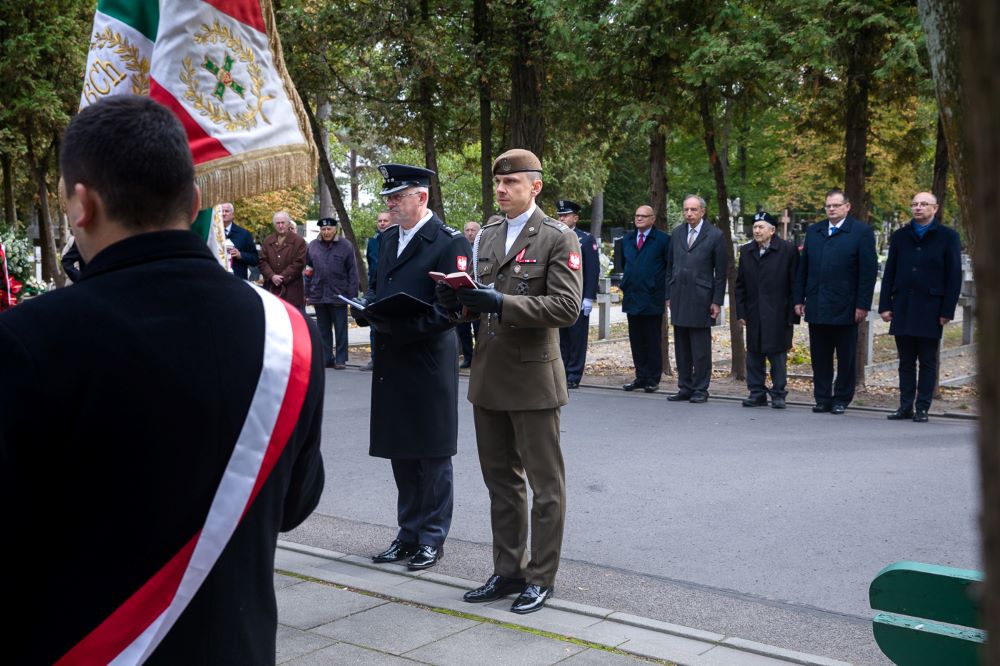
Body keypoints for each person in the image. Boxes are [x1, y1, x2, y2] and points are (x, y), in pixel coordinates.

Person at [0, 96, 324, 664]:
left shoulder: (27, 339)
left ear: (81, 204)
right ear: (196, 200)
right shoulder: (289, 333)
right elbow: (295, 501)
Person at [438, 148, 581, 614]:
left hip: (534, 377)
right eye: (498, 184)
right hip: (490, 376)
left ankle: (541, 577)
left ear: (534, 186)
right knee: (500, 482)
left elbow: (564, 308)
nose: (501, 190)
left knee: (546, 485)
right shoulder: (490, 232)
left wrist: (498, 303)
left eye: (511, 183)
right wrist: (457, 300)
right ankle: (507, 571)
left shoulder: (558, 238)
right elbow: (480, 298)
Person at [363, 163, 471, 572]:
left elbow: (455, 308)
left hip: (426, 357)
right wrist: (369, 310)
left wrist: (405, 328)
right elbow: (378, 286)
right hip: (393, 356)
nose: (390, 205)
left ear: (421, 198)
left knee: (432, 452)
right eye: (388, 198)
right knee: (401, 450)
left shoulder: (448, 241)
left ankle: (431, 538)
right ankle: (407, 533)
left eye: (397, 197)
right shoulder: (388, 239)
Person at [878, 192, 962, 423]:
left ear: (935, 208)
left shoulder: (948, 237)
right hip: (903, 305)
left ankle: (922, 407)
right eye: (914, 204)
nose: (918, 208)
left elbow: (954, 276)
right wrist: (885, 304)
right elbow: (890, 272)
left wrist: (947, 311)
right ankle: (905, 406)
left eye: (924, 204)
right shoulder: (900, 236)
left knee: (927, 360)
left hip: (931, 308)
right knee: (905, 361)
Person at [794, 188, 877, 415]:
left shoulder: (861, 232)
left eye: (836, 205)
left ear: (847, 207)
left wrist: (862, 304)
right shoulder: (815, 231)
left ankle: (841, 398)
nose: (831, 209)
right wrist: (799, 298)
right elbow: (804, 268)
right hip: (818, 303)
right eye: (828, 206)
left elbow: (867, 273)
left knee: (846, 356)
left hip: (846, 306)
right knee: (820, 356)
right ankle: (822, 398)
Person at [665, 195, 727, 403]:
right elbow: (670, 266)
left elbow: (721, 272)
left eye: (693, 210)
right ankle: (685, 387)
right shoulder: (677, 233)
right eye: (686, 210)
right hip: (679, 296)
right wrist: (668, 294)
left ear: (702, 211)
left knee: (700, 348)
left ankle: (701, 388)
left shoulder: (715, 235)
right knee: (682, 346)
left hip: (702, 297)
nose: (689, 214)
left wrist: (717, 300)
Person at [735, 212, 799, 409]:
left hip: (778, 313)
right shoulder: (747, 251)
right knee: (754, 354)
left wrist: (792, 315)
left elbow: (795, 283)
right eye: (755, 227)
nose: (756, 230)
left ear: (772, 230)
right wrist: (741, 312)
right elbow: (740, 285)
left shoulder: (787, 250)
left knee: (777, 356)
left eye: (761, 227)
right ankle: (757, 393)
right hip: (754, 312)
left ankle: (779, 393)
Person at [620, 204, 671, 393]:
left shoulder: (663, 240)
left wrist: (665, 293)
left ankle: (652, 378)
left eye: (643, 216)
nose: (639, 218)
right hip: (632, 295)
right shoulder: (628, 239)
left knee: (651, 338)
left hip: (652, 297)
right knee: (636, 339)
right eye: (637, 215)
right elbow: (624, 265)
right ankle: (640, 376)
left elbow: (668, 267)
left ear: (652, 219)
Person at [556, 200, 599, 389]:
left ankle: (574, 374)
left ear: (575, 218)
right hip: (558, 294)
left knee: (576, 337)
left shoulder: (585, 239)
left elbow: (592, 269)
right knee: (561, 336)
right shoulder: (554, 236)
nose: (562, 218)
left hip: (578, 295)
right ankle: (561, 371)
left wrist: (588, 297)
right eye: (560, 215)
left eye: (565, 215)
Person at [306, 217, 359, 369]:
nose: (326, 232)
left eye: (329, 229)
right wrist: (307, 291)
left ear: (335, 229)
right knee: (323, 330)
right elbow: (308, 271)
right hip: (319, 294)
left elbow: (352, 272)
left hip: (339, 295)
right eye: (323, 229)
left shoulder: (345, 246)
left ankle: (341, 359)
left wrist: (352, 296)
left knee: (341, 329)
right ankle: (326, 358)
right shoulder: (313, 246)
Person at [259, 210, 308, 311]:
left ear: (288, 224)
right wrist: (272, 276)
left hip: (292, 291)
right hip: (272, 290)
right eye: (277, 223)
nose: (280, 226)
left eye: (283, 223)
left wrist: (281, 277)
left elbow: (299, 263)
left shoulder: (299, 241)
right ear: (274, 225)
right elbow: (262, 261)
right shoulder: (268, 240)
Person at [363, 211, 393, 370]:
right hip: (376, 285)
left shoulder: (396, 238)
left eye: (385, 220)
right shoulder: (373, 241)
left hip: (390, 285)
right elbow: (370, 262)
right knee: (374, 325)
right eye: (380, 221)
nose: (382, 223)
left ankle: (389, 360)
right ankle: (375, 359)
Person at [456, 220, 482, 368]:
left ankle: (479, 357)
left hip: (477, 293)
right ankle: (468, 358)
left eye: (473, 230)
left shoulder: (483, 247)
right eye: (467, 230)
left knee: (478, 328)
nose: (470, 233)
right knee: (463, 328)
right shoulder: (459, 248)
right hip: (462, 292)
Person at [220, 201, 259, 280]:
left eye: (226, 211)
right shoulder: (213, 233)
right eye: (221, 211)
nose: (223, 214)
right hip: (217, 279)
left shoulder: (244, 234)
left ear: (233, 215)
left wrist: (240, 255)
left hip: (238, 280)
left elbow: (255, 259)